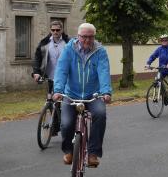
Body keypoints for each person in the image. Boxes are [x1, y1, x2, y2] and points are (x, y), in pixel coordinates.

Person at [53, 23, 111, 167]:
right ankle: (68, 151)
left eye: (90, 37)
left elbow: (103, 72)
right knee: (66, 124)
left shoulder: (100, 51)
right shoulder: (68, 50)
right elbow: (61, 70)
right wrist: (58, 90)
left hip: (94, 95)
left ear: (94, 37)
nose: (87, 40)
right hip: (71, 94)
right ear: (78, 37)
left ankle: (93, 154)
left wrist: (106, 92)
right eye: (84, 37)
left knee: (100, 114)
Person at [32, 21, 70, 135]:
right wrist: (36, 72)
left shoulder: (68, 43)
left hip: (67, 78)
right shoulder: (44, 43)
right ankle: (55, 125)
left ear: (62, 30)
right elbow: (37, 58)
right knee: (51, 101)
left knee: (66, 103)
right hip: (51, 77)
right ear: (50, 30)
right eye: (53, 30)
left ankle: (67, 125)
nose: (55, 32)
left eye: (57, 30)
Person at [145, 34, 168, 110]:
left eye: (165, 40)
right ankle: (165, 94)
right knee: (157, 81)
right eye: (162, 40)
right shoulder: (159, 49)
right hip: (162, 70)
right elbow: (153, 56)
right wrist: (148, 63)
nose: (164, 41)